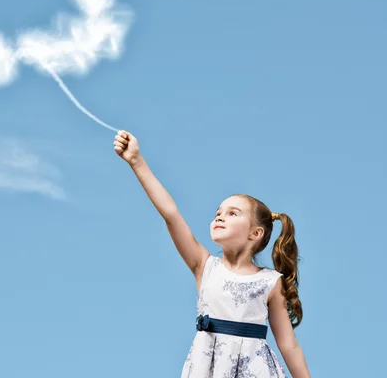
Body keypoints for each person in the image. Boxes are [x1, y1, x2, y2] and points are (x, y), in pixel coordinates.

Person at [114, 130, 311, 378]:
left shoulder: (270, 282)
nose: (219, 216)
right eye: (218, 212)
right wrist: (136, 161)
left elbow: (288, 344)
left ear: (255, 233)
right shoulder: (204, 266)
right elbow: (171, 214)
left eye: (233, 213)